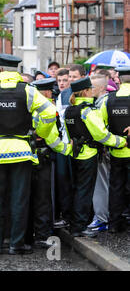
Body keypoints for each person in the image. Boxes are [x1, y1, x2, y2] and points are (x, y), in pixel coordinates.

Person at [0, 54, 57, 255]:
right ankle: (16, 244)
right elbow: (50, 113)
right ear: (17, 71)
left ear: (0, 70)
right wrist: (39, 134)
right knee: (19, 199)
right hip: (22, 152)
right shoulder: (28, 91)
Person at [65, 77, 126, 237]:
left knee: (77, 189)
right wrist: (121, 142)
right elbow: (101, 135)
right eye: (90, 88)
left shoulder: (70, 110)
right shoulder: (88, 111)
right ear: (85, 91)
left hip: (75, 153)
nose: (93, 90)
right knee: (85, 192)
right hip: (89, 154)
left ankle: (75, 224)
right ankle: (80, 226)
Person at [27, 78, 72, 248]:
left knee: (27, 196)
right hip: (44, 157)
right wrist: (66, 149)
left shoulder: (29, 108)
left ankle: (27, 235)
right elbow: (52, 138)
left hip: (27, 156)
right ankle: (42, 235)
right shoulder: (48, 109)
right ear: (46, 93)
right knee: (43, 198)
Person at [54, 64, 86, 229]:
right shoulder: (63, 95)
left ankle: (81, 218)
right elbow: (61, 121)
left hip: (85, 146)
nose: (71, 80)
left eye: (74, 77)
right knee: (65, 182)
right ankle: (68, 216)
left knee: (80, 183)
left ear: (82, 77)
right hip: (66, 145)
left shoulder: (88, 93)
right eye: (69, 77)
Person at [100, 67, 130, 233]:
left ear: (119, 79)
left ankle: (114, 223)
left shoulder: (108, 99)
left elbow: (101, 125)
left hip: (116, 151)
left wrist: (113, 141)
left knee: (116, 188)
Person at [87, 74, 112, 232]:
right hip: (113, 148)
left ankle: (102, 218)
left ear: (102, 88)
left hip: (104, 148)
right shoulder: (109, 100)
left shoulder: (102, 104)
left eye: (93, 87)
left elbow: (100, 130)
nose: (90, 90)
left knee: (101, 184)